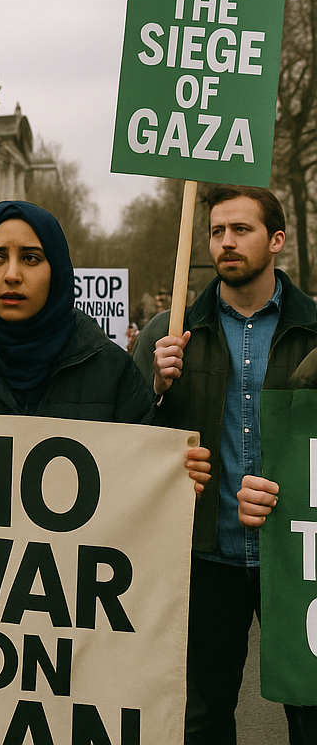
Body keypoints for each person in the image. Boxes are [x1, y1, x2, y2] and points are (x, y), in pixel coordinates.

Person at [134, 184, 317, 745]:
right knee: (202, 714)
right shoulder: (169, 335)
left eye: (242, 229)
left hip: (297, 561)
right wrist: (157, 389)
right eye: (216, 231)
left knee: (308, 709)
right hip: (205, 555)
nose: (225, 242)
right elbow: (129, 454)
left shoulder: (314, 331)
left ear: (277, 240)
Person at [0, 200, 190, 428]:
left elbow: (143, 474)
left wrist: (181, 468)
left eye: (30, 258)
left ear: (56, 271)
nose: (11, 275)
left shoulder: (111, 369)